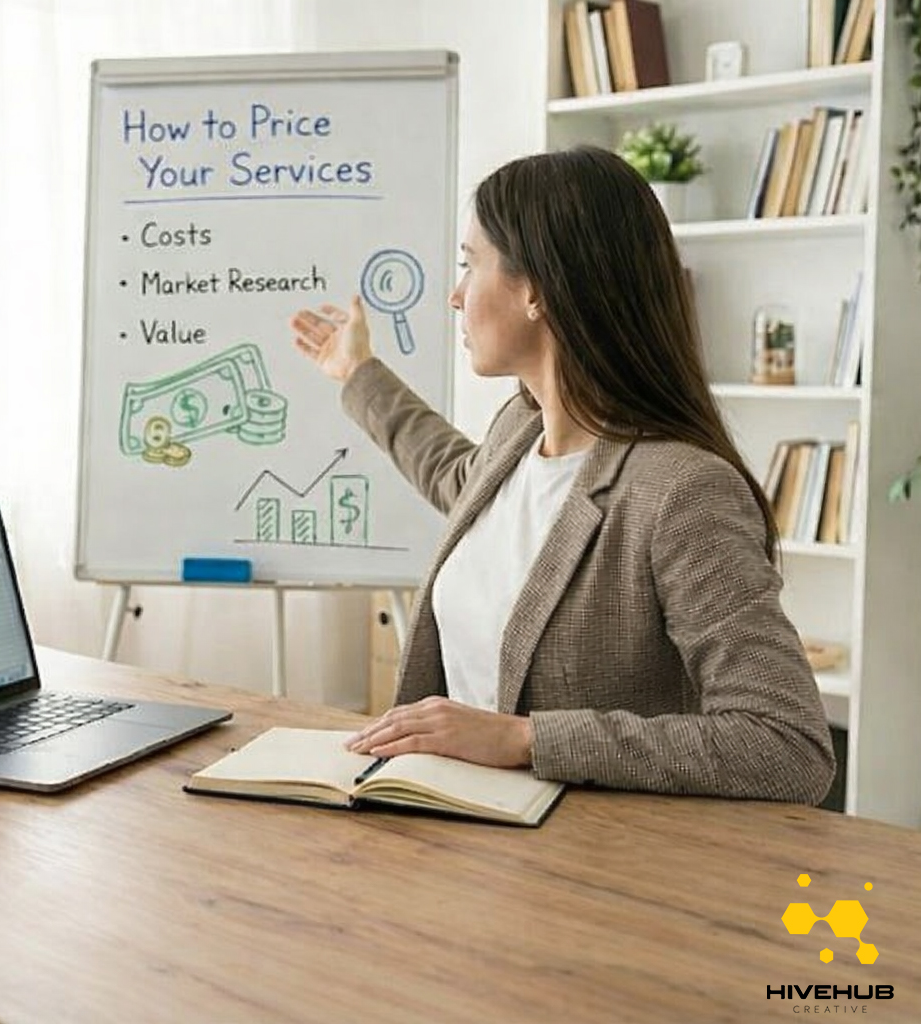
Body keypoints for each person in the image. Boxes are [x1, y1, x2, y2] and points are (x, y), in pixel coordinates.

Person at [290, 145, 835, 804]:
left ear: (536, 289)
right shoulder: (518, 432)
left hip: (587, 878)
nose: (455, 296)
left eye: (470, 265)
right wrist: (358, 373)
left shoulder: (682, 492)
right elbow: (451, 473)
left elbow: (786, 745)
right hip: (455, 840)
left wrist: (525, 740)